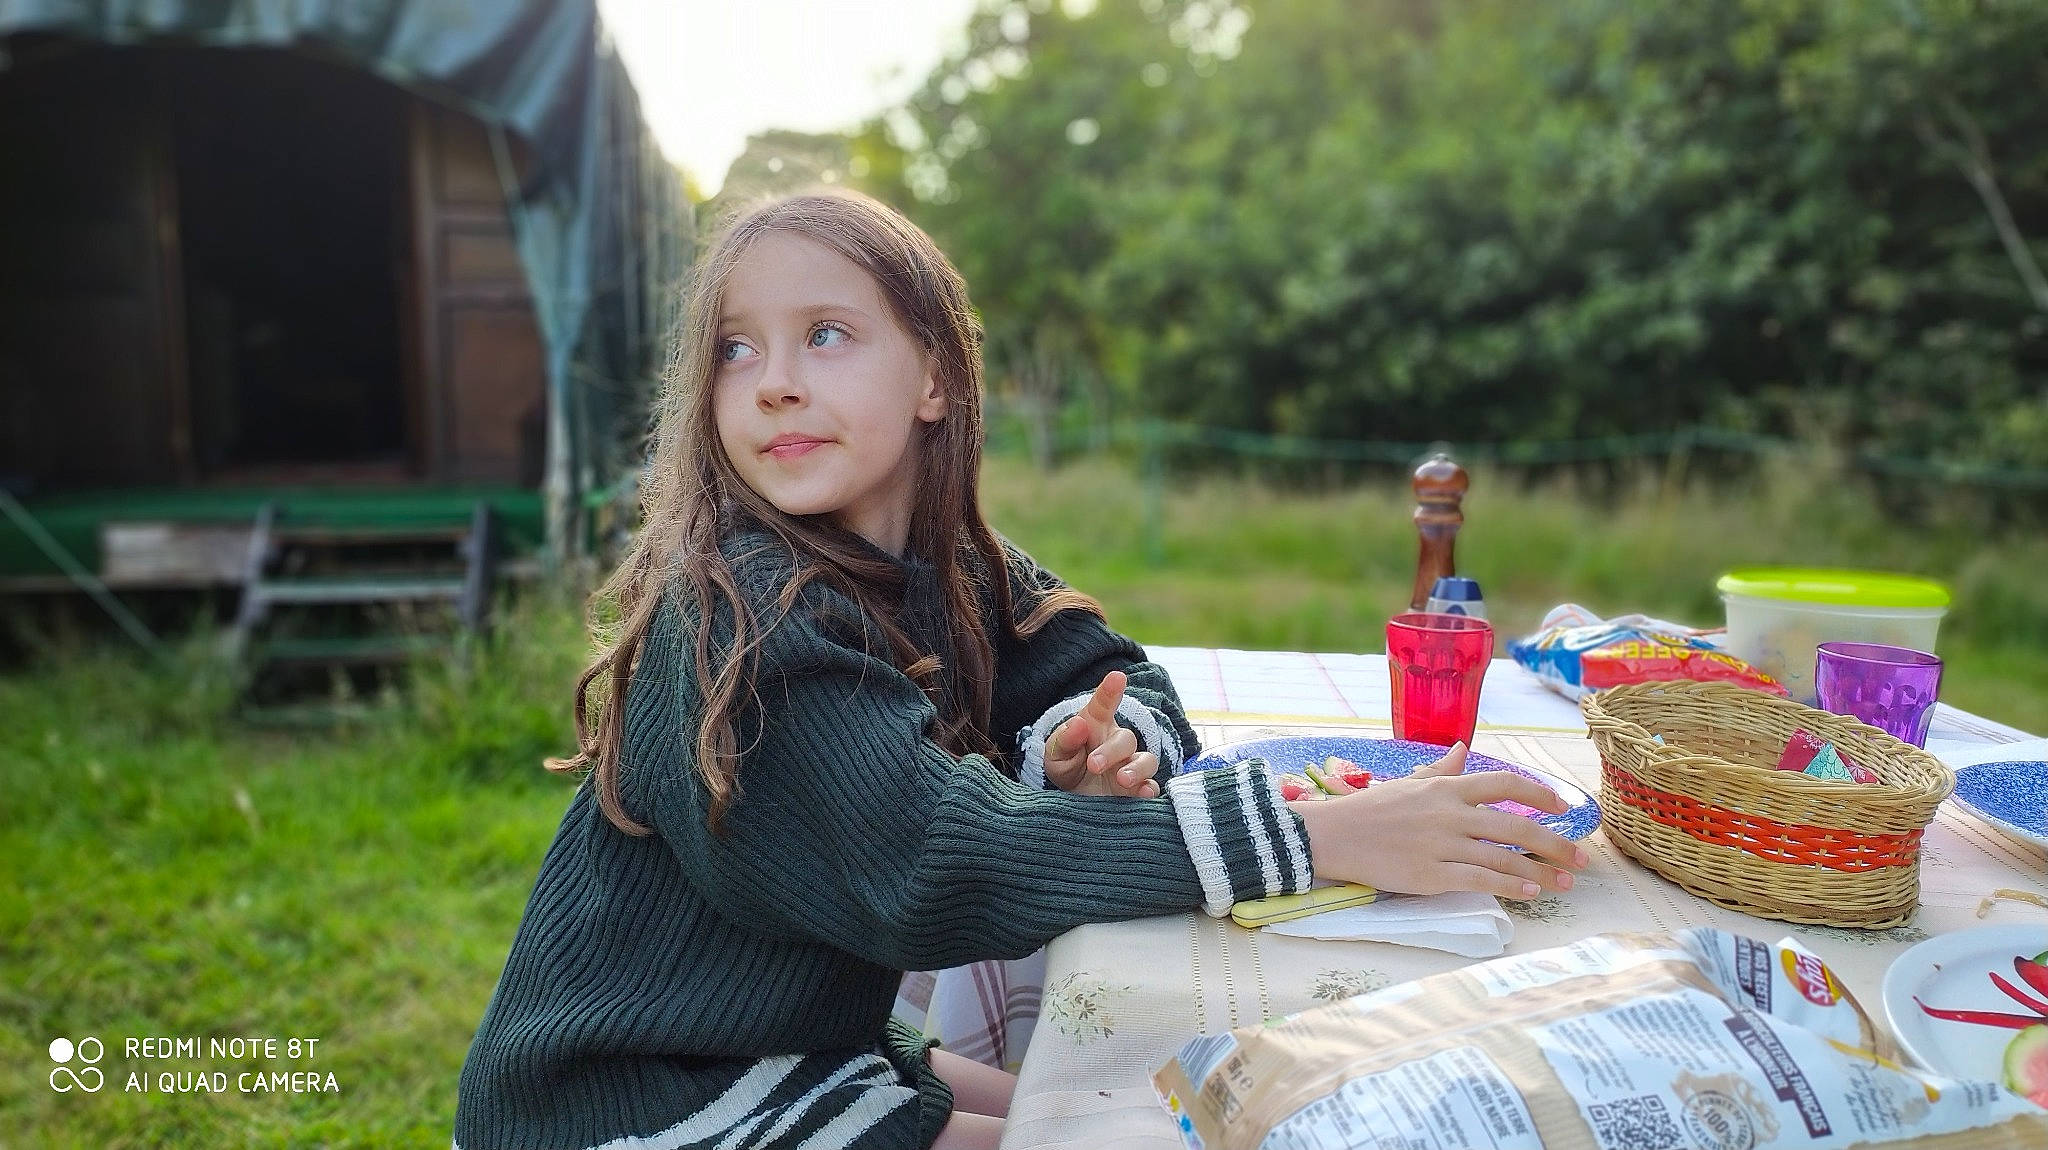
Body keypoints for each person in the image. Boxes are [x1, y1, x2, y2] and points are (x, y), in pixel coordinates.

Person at [453, 189, 1587, 1150]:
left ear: (935, 376)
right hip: (631, 1093)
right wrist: (1313, 838)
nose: (773, 382)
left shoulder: (952, 563)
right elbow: (932, 862)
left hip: (780, 1035)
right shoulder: (743, 611)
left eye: (826, 335)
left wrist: (1085, 744)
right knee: (1116, 1126)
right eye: (735, 349)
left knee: (1152, 1102)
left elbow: (1108, 668)